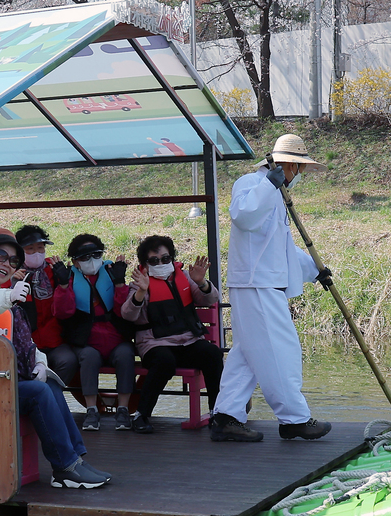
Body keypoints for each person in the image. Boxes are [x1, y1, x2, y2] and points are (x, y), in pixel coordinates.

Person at [0, 227, 111, 489]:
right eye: (0, 255)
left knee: (51, 385)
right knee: (38, 393)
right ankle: (64, 466)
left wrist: (40, 362)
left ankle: (75, 460)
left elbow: (22, 340)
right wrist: (8, 296)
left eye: (13, 260)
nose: (7, 264)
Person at [209, 133, 334, 442]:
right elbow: (243, 216)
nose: (301, 174)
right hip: (257, 284)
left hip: (263, 282)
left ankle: (226, 416)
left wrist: (315, 270)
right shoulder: (252, 184)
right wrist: (268, 186)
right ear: (289, 166)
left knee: (248, 354)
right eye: (300, 168)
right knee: (281, 350)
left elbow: (282, 246)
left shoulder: (276, 194)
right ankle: (294, 419)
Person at [120, 235, 223, 434]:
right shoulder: (140, 284)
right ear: (145, 264)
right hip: (155, 344)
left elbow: (210, 298)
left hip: (188, 341)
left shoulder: (184, 277)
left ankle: (217, 412)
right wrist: (141, 292)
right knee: (164, 361)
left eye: (165, 259)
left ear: (172, 258)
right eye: (154, 261)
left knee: (212, 354)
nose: (161, 264)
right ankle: (141, 415)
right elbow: (128, 314)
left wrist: (202, 283)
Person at [50, 233, 136, 432]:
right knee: (88, 357)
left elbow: (122, 311)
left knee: (126, 354)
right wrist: (63, 286)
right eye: (84, 257)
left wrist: (120, 284)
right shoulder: (69, 278)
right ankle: (91, 410)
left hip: (115, 338)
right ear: (75, 261)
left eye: (96, 254)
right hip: (86, 341)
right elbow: (63, 312)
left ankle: (123, 409)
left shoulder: (112, 273)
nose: (91, 260)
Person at [14, 224, 68, 353]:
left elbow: (66, 310)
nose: (37, 253)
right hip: (25, 343)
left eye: (40, 247)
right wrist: (13, 285)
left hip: (55, 339)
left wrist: (65, 284)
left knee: (67, 360)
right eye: (30, 248)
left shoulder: (54, 269)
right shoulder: (13, 273)